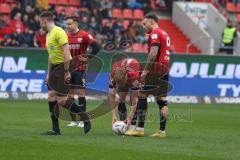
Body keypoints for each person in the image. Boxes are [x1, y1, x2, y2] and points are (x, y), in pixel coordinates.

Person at [39, 11, 91, 135]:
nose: (40, 24)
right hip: (55, 69)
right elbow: (51, 56)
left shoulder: (59, 32)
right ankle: (55, 129)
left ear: (45, 21)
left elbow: (67, 53)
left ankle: (85, 117)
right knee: (51, 97)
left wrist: (67, 71)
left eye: (40, 22)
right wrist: (48, 73)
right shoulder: (49, 34)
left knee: (62, 100)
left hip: (63, 67)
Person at [125, 14, 170, 138]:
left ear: (151, 21)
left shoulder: (155, 33)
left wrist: (145, 71)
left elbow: (153, 54)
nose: (143, 27)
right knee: (162, 101)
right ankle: (162, 131)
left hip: (156, 69)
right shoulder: (164, 33)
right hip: (165, 70)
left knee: (141, 95)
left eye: (145, 24)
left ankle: (139, 129)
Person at [65, 16, 100, 127]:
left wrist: (88, 58)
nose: (67, 26)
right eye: (66, 24)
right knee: (70, 96)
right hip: (69, 70)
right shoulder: (65, 36)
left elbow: (96, 47)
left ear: (76, 24)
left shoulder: (84, 35)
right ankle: (73, 120)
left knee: (80, 94)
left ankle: (82, 120)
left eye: (69, 24)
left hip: (80, 69)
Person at [109, 58, 141, 131]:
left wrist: (130, 117)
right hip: (123, 68)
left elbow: (134, 100)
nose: (121, 85)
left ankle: (131, 124)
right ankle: (123, 124)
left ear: (126, 77)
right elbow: (111, 95)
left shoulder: (134, 76)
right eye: (119, 84)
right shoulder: (113, 75)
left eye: (122, 83)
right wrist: (113, 116)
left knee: (132, 99)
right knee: (121, 99)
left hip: (137, 71)